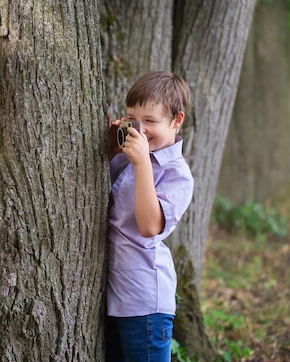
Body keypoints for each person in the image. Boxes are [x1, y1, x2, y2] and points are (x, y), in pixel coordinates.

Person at [105, 71, 194, 362]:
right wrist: (110, 150)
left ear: (176, 120)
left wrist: (142, 162)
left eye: (150, 122)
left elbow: (148, 226)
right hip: (113, 299)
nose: (139, 130)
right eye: (133, 119)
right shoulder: (128, 158)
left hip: (145, 303)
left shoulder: (177, 174)